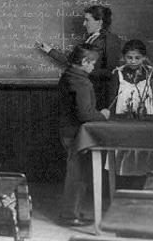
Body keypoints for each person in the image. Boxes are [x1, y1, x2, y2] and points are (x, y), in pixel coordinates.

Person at [58, 44, 111, 226]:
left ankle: (73, 213)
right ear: (84, 61)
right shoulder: (80, 81)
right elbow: (85, 114)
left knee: (77, 173)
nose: (93, 67)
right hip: (76, 134)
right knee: (77, 174)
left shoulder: (69, 76)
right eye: (92, 63)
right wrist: (102, 115)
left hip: (68, 131)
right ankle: (69, 216)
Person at [37, 5, 122, 111]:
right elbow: (73, 61)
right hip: (83, 90)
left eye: (87, 20)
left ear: (99, 22)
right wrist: (50, 51)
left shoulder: (110, 40)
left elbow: (110, 71)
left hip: (97, 93)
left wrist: (83, 72)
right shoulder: (90, 38)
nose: (84, 24)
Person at [110, 39, 153, 188]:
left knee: (143, 151)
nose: (133, 61)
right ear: (123, 57)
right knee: (124, 152)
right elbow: (112, 100)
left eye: (137, 58)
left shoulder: (151, 73)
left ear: (144, 57)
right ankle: (122, 186)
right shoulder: (118, 74)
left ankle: (142, 186)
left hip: (145, 122)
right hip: (124, 122)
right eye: (129, 58)